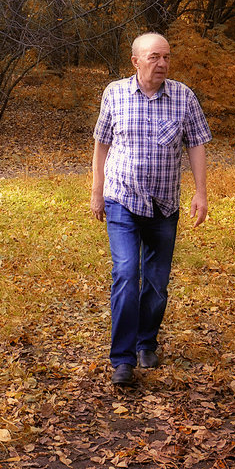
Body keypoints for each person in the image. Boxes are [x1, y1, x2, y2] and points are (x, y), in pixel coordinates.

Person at [90, 32, 212, 387]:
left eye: (167, 57)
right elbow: (101, 145)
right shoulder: (114, 93)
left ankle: (147, 342)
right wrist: (97, 191)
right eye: (155, 57)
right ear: (136, 61)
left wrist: (200, 193)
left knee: (156, 284)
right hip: (122, 199)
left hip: (163, 204)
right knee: (127, 274)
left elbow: (198, 145)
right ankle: (123, 359)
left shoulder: (183, 97)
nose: (162, 64)